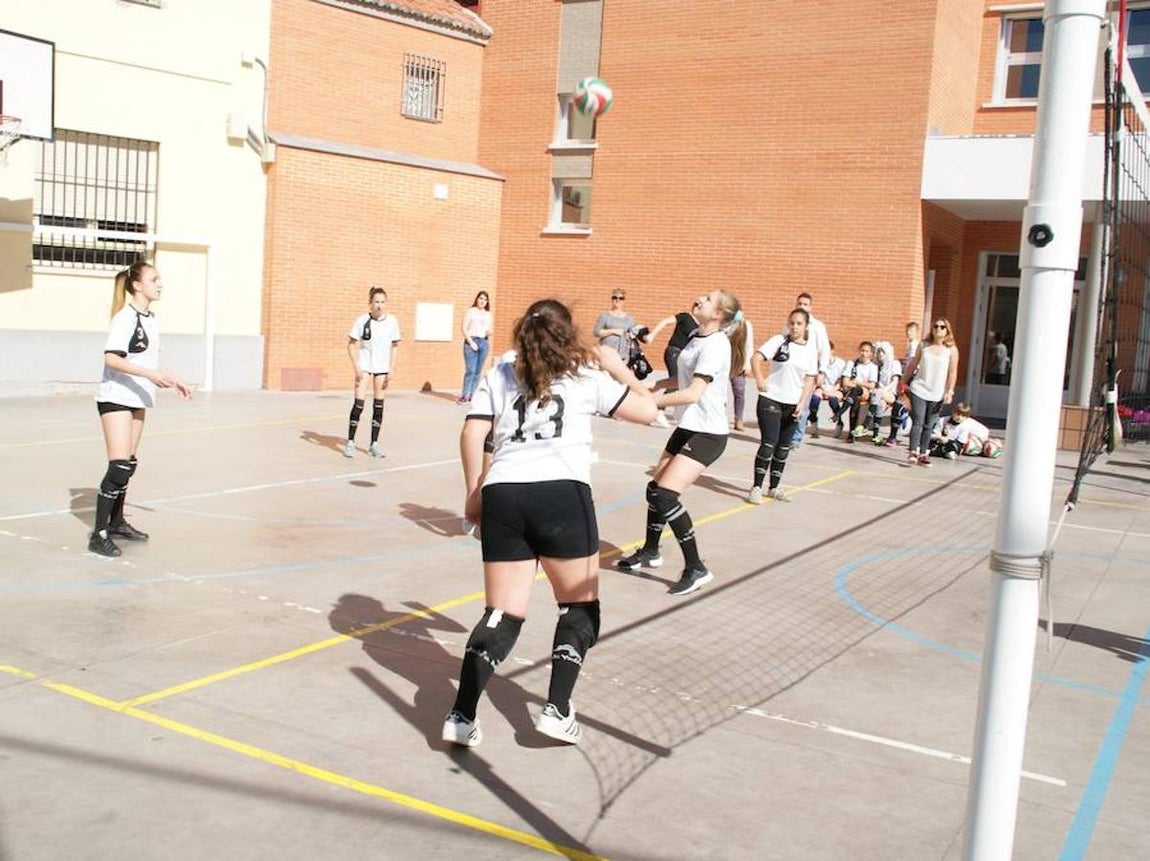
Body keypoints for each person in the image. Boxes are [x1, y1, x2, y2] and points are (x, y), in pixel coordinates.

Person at [442, 299, 657, 748]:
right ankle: (557, 710)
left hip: (504, 491)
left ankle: (462, 714)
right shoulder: (585, 378)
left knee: (502, 613)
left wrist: (474, 491)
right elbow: (648, 411)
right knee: (579, 608)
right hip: (561, 492)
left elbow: (471, 432)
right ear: (568, 335)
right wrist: (619, 368)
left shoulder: (500, 374)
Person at [616, 290, 747, 596]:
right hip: (689, 426)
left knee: (665, 496)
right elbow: (683, 379)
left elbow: (693, 393)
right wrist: (654, 386)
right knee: (654, 490)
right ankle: (651, 552)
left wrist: (654, 403)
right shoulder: (698, 336)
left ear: (718, 314)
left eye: (709, 298)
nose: (700, 298)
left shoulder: (717, 344)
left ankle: (696, 568)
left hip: (708, 434)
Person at [89, 261, 192, 558]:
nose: (160, 284)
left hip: (137, 397)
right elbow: (112, 358)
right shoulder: (125, 317)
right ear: (137, 285)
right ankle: (99, 534)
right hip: (117, 396)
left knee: (129, 464)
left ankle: (118, 522)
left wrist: (175, 380)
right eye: (154, 279)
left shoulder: (151, 318)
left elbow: (149, 362)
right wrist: (149, 376)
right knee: (118, 465)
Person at [746, 308, 817, 504]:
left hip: (793, 404)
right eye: (792, 322)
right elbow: (756, 358)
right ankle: (756, 487)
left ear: (806, 326)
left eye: (799, 323)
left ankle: (774, 487)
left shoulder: (811, 349)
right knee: (769, 444)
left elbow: (810, 379)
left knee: (783, 448)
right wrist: (759, 378)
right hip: (772, 399)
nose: (794, 327)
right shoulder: (779, 341)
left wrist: (802, 403)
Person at [345, 287, 401, 458]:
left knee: (378, 406)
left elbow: (394, 346)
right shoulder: (362, 320)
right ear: (370, 304)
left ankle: (374, 444)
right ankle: (350, 442)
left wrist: (391, 368)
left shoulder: (392, 321)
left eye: (383, 302)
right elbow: (351, 344)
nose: (379, 305)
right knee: (359, 405)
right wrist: (356, 366)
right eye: (376, 302)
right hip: (365, 367)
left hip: (382, 369)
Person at [903, 317, 960, 466]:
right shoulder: (924, 345)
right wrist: (903, 381)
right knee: (918, 421)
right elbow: (913, 364)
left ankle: (923, 453)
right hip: (919, 388)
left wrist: (950, 391)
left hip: (937, 392)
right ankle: (912, 452)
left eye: (942, 327)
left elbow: (952, 372)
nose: (938, 329)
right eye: (935, 326)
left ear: (947, 330)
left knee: (929, 424)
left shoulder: (951, 350)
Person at [789, 292, 832, 445]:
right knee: (790, 401)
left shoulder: (818, 327)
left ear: (811, 307)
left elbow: (824, 350)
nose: (802, 307)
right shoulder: (790, 324)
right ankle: (786, 433)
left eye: (805, 304)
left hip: (809, 370)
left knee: (804, 402)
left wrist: (822, 371)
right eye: (800, 304)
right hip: (792, 370)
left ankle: (796, 437)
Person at [835, 341, 879, 443]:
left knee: (856, 391)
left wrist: (859, 383)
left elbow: (872, 385)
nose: (864, 353)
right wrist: (855, 384)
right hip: (852, 392)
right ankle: (852, 433)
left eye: (867, 351)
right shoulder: (852, 363)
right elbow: (845, 382)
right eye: (862, 350)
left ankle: (839, 413)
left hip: (865, 392)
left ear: (871, 353)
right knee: (854, 399)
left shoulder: (873, 367)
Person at [868, 340, 905, 447]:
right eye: (878, 352)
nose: (880, 355)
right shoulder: (877, 366)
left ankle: (866, 424)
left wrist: (881, 390)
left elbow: (895, 382)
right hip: (879, 395)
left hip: (891, 393)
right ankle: (875, 434)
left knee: (878, 394)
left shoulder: (894, 363)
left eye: (882, 352)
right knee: (880, 404)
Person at [806, 340, 846, 438]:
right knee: (814, 399)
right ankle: (814, 423)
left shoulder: (841, 363)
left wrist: (833, 390)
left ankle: (839, 423)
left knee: (833, 400)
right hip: (823, 387)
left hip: (836, 388)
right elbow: (819, 379)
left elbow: (841, 380)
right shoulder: (819, 363)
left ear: (832, 351)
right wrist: (824, 389)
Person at [458, 290, 492, 403]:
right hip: (471, 341)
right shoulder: (471, 311)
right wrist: (471, 342)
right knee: (470, 370)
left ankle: (473, 395)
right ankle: (464, 395)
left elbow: (488, 328)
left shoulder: (488, 314)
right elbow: (464, 328)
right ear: (477, 299)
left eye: (485, 299)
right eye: (481, 298)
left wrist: (488, 332)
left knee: (478, 371)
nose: (482, 301)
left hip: (483, 342)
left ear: (487, 302)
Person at [592, 289, 635, 359]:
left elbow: (633, 334)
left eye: (621, 298)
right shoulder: (604, 315)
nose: (617, 300)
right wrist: (613, 331)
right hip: (606, 353)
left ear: (624, 301)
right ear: (611, 299)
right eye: (615, 297)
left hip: (623, 355)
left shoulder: (629, 318)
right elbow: (596, 332)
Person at [730, 316, 755, 431]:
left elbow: (749, 345)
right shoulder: (723, 323)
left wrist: (747, 364)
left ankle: (738, 419)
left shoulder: (745, 325)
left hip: (738, 361)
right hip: (724, 361)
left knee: (739, 391)